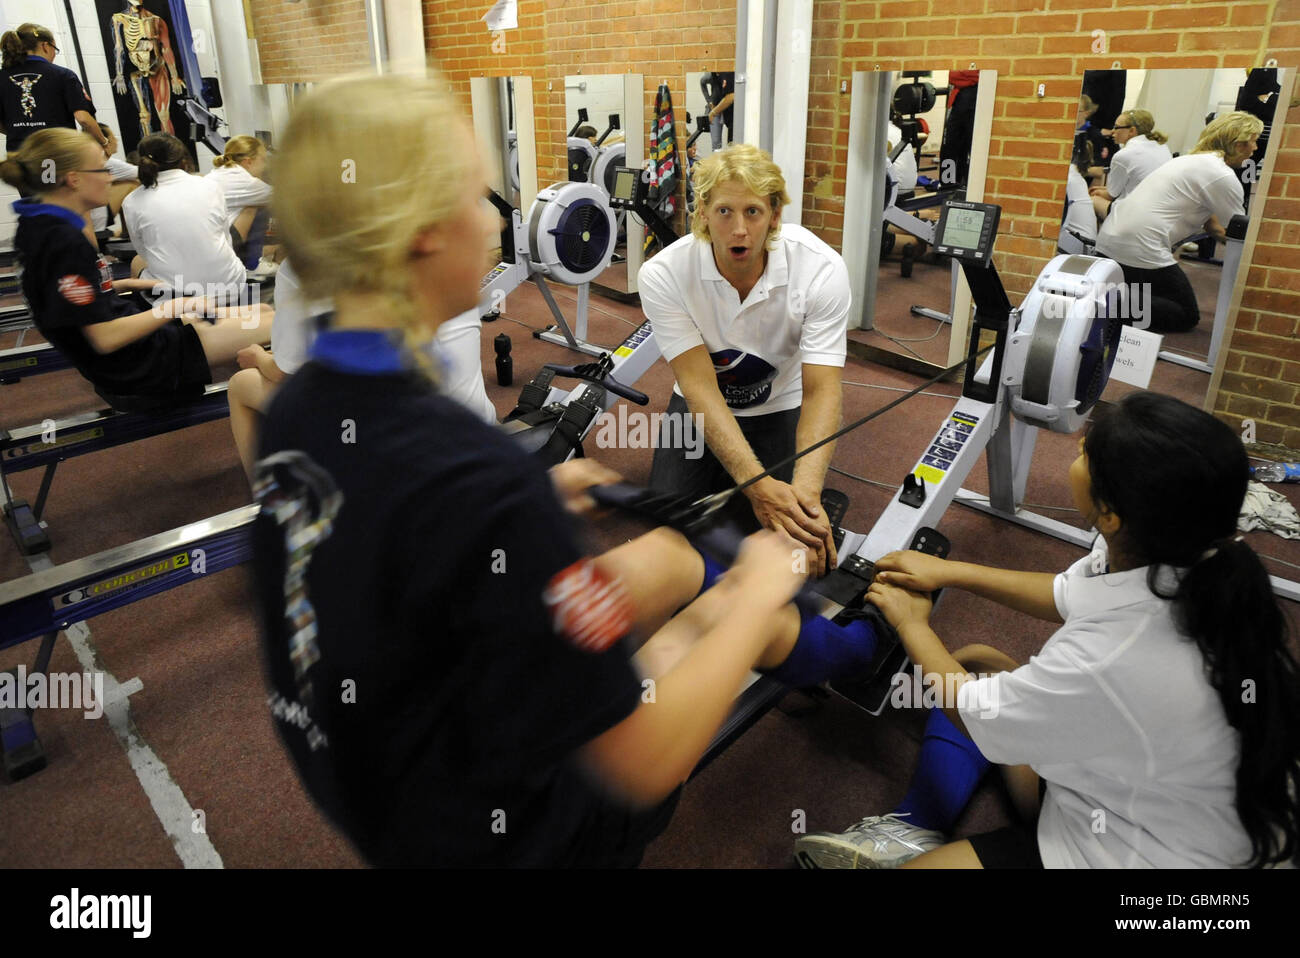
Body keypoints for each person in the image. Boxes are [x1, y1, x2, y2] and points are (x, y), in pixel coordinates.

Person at [251, 71, 886, 868]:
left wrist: (534, 497)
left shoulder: (301, 403)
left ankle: (839, 644)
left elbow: (379, 532)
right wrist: (760, 587)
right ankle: (858, 653)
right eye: (477, 195)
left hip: (387, 769)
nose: (492, 219)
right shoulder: (476, 476)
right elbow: (641, 759)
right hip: (530, 834)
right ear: (422, 233)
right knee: (726, 603)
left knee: (667, 554)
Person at [797, 392, 1300, 869]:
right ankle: (918, 825)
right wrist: (951, 572)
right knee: (976, 662)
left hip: (1138, 851)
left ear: (1110, 513)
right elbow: (1064, 591)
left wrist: (912, 625)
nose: (1078, 445)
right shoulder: (1182, 553)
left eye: (1088, 452)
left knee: (969, 701)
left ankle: (911, 828)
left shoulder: (1109, 657)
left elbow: (979, 714)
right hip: (1133, 784)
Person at [638, 144, 849, 578]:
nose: (739, 230)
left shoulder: (821, 270)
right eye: (724, 212)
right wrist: (756, 486)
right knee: (664, 532)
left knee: (786, 534)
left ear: (774, 216)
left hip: (779, 405)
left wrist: (805, 498)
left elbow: (822, 388)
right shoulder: (663, 274)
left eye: (753, 212)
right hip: (700, 405)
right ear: (701, 214)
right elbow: (699, 387)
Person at [0, 127, 272, 400]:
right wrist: (175, 306)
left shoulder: (38, 226)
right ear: (73, 179)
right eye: (102, 170)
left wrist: (127, 283)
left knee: (260, 308)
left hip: (133, 343)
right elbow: (104, 339)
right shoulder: (62, 241)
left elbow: (66, 298)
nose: (110, 178)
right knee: (276, 321)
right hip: (135, 364)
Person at [1094, 111, 1261, 334]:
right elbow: (1239, 233)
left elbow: (1215, 227)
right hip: (1140, 249)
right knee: (1185, 314)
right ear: (1238, 144)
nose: (1255, 148)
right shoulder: (1222, 175)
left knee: (1155, 294)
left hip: (1110, 242)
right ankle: (1105, 304)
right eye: (1253, 141)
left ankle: (1109, 296)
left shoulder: (1189, 160)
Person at [121, 132, 248, 301]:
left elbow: (143, 252)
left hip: (176, 297)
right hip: (229, 285)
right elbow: (225, 237)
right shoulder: (210, 186)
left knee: (137, 261)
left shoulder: (131, 201)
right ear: (183, 160)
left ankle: (151, 321)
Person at [0, 23, 106, 154]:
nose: (54, 54)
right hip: (56, 154)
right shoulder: (63, 75)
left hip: (18, 156)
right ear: (45, 46)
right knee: (50, 175)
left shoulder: (2, 77)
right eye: (54, 49)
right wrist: (103, 142)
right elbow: (83, 119)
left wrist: (18, 131)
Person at [206, 135, 274, 273]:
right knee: (254, 205)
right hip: (220, 248)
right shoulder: (245, 182)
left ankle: (251, 262)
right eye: (263, 160)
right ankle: (251, 265)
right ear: (248, 161)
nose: (265, 165)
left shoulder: (220, 173)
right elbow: (284, 198)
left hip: (207, 244)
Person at [1089, 110, 1172, 222]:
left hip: (1135, 214)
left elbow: (1111, 195)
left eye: (1117, 127)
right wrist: (1102, 189)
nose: (1113, 131)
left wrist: (1096, 192)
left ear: (1132, 131)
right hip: (1158, 209)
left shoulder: (1123, 155)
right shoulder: (1162, 146)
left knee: (1091, 199)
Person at [88, 123, 140, 241]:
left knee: (124, 180)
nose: (116, 140)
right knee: (133, 184)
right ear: (104, 141)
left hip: (92, 220)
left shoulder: (88, 159)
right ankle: (132, 233)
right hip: (96, 226)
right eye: (113, 137)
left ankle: (126, 233)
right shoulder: (108, 163)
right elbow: (144, 173)